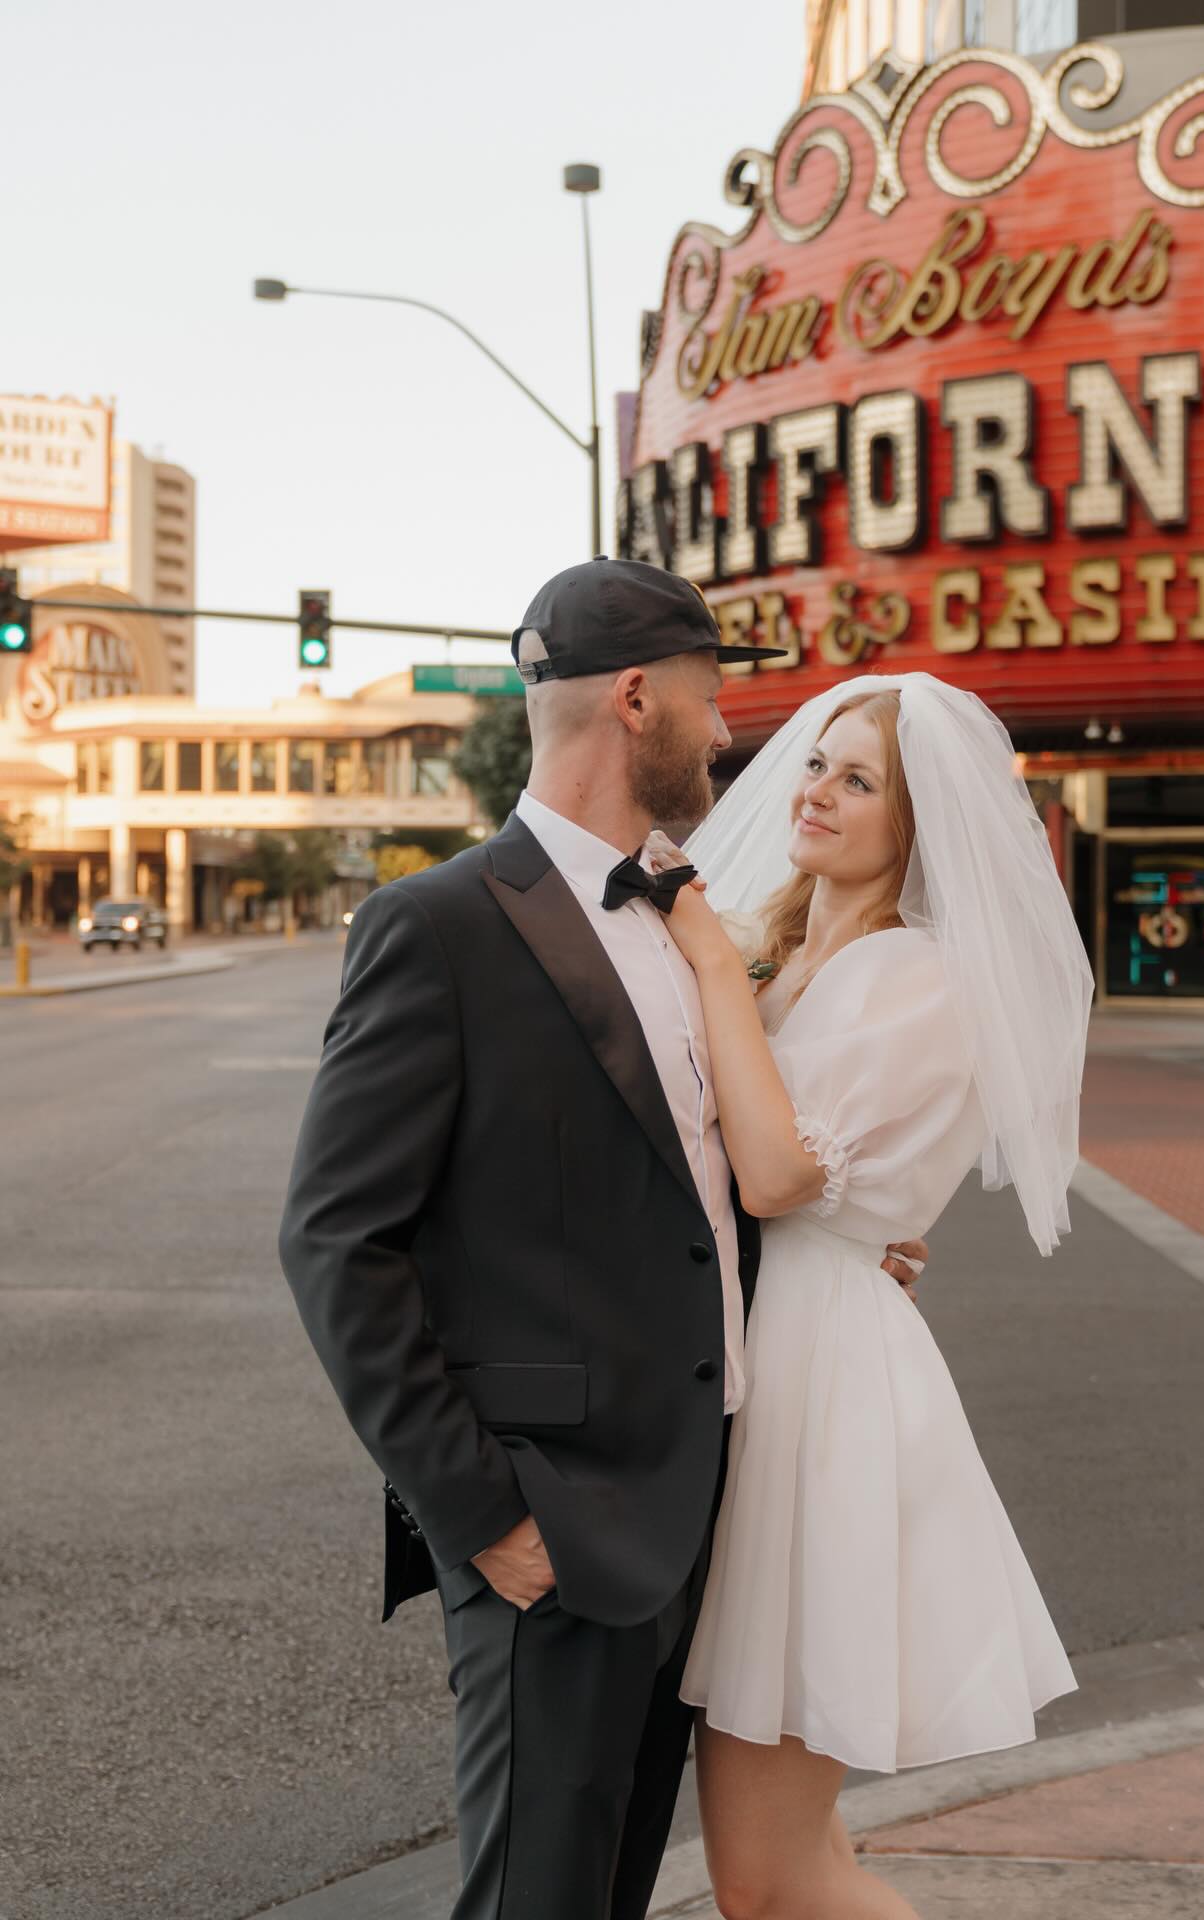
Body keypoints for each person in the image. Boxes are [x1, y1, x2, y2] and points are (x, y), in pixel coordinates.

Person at [276, 557, 928, 1920]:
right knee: (538, 1898)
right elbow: (339, 1245)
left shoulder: (706, 932)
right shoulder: (438, 928)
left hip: (703, 1518)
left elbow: (696, 1193)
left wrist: (834, 1249)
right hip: (553, 1531)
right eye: (708, 698)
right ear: (638, 699)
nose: (729, 733)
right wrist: (484, 1516)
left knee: (611, 1892)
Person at [645, 673, 1093, 1920]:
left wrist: (708, 966)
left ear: (921, 824)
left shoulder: (917, 975)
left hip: (823, 1400)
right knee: (806, 1858)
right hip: (778, 1361)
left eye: (859, 780)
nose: (816, 793)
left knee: (767, 1880)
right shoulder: (784, 954)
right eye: (814, 764)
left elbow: (786, 1175)